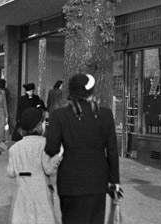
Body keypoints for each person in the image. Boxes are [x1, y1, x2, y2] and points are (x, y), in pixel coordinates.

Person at [45, 73, 120, 224]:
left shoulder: (59, 115)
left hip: (69, 182)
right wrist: (114, 180)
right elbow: (112, 151)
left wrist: (61, 151)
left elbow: (51, 147)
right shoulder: (105, 114)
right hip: (97, 181)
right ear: (91, 92)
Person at [7, 107, 63, 224]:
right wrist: (59, 156)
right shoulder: (44, 144)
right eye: (42, 122)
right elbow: (48, 170)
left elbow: (11, 172)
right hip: (41, 193)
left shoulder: (14, 148)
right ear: (38, 125)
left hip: (22, 194)